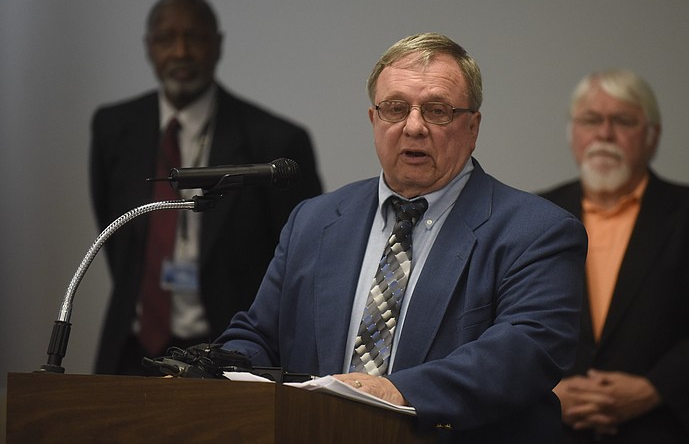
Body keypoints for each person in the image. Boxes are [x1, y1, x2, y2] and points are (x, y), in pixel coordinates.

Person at [215, 33, 587, 442]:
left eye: (437, 111)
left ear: (473, 126)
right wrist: (205, 372)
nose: (414, 127)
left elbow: (526, 350)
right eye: (395, 108)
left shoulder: (537, 231)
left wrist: (396, 391)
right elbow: (258, 335)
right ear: (374, 119)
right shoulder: (314, 220)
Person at [90, 0, 323, 376]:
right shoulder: (113, 128)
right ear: (149, 47)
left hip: (226, 355)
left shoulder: (275, 141)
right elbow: (115, 235)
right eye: (166, 39)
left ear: (217, 46)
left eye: (195, 38)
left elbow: (303, 262)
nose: (180, 52)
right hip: (130, 350)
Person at [540, 69, 689, 443]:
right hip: (554, 429)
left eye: (623, 121)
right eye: (591, 120)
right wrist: (545, 394)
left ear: (652, 136)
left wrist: (655, 388)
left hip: (666, 429)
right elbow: (497, 320)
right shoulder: (534, 214)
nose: (604, 134)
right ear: (573, 133)